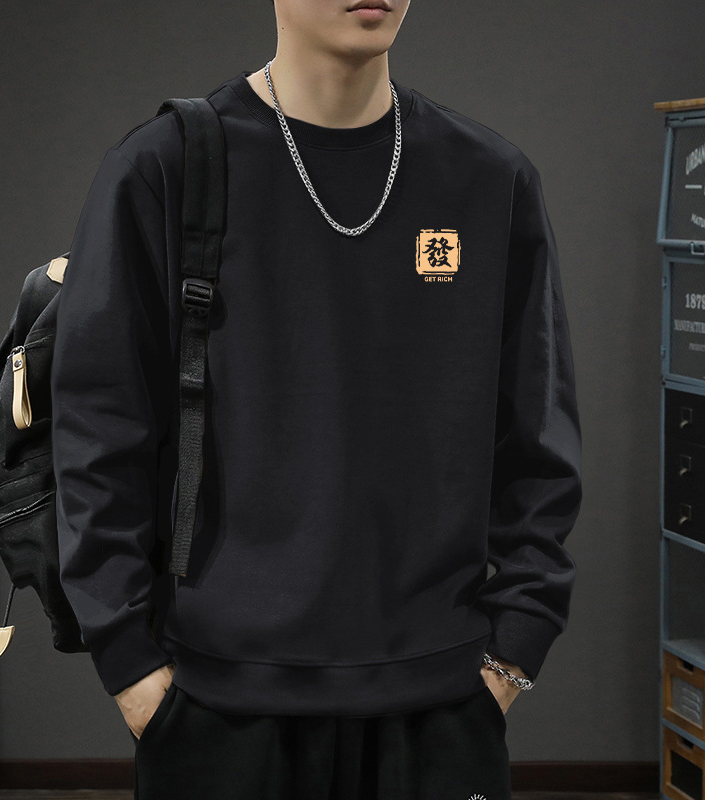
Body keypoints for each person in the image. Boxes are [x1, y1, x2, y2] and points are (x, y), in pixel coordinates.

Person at [50, 0, 583, 797]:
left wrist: (514, 651)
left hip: (439, 702)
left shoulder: (488, 177)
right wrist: (129, 666)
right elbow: (97, 427)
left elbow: (538, 435)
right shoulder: (165, 166)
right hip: (217, 703)